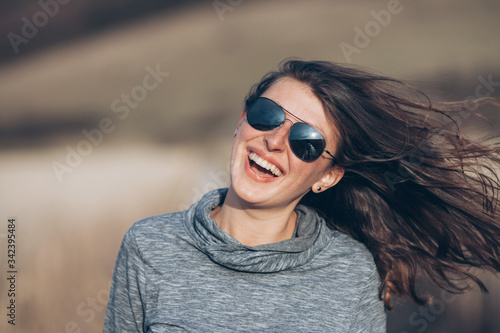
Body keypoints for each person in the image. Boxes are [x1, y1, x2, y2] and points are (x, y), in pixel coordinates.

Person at [103, 60, 500, 332]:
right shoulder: (150, 246)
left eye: (306, 141)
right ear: (242, 121)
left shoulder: (349, 273)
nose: (274, 141)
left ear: (327, 177)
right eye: (267, 115)